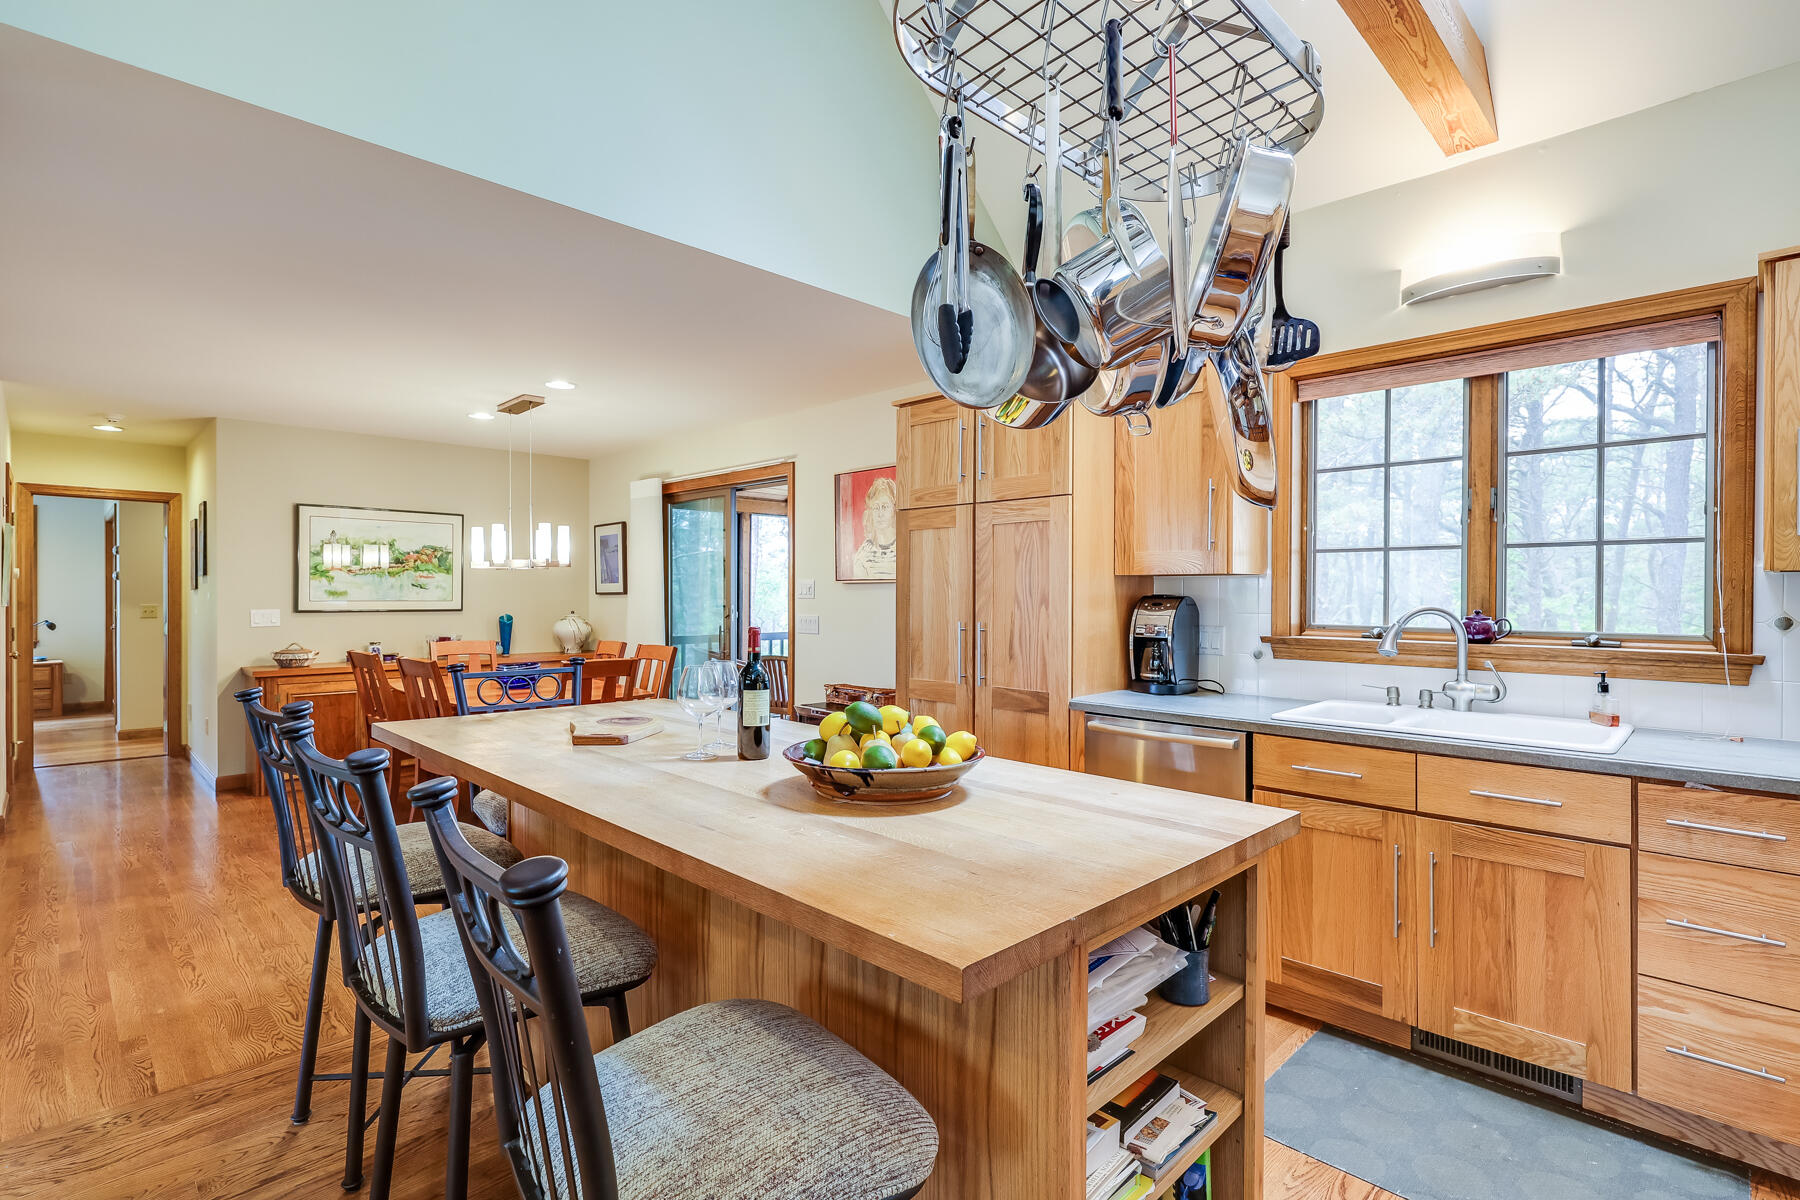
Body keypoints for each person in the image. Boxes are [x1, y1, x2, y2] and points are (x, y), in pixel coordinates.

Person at [852, 475, 898, 580]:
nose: (880, 514)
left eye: (885, 507)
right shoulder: (862, 556)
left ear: (894, 510)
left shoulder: (904, 549)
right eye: (876, 507)